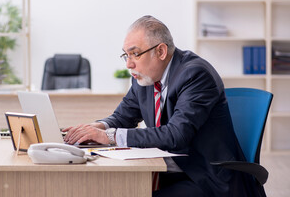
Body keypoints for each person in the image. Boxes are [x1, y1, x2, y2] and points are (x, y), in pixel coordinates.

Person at [63, 15, 265, 196]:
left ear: (160, 51)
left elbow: (176, 134)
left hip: (206, 178)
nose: (129, 64)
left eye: (135, 54)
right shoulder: (144, 78)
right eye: (126, 55)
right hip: (172, 169)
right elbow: (123, 117)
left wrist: (109, 136)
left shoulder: (195, 74)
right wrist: (97, 128)